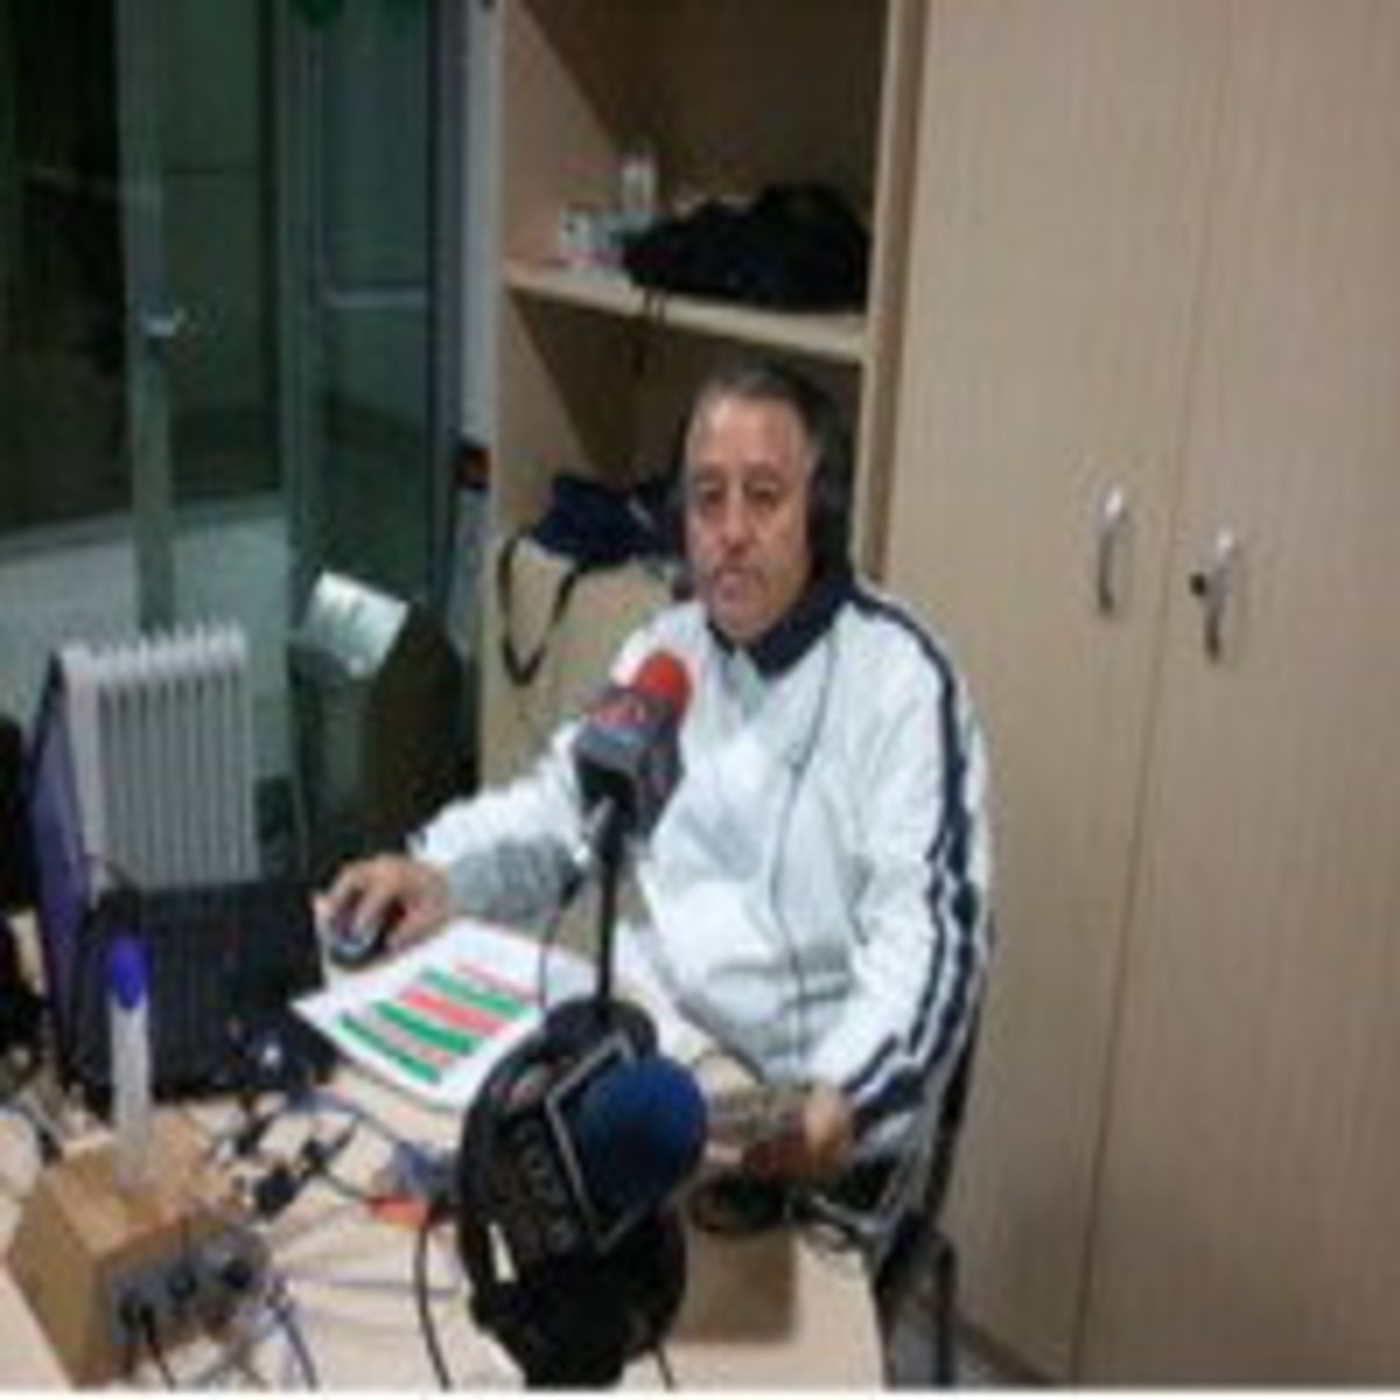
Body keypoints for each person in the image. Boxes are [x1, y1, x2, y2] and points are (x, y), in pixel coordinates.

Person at [325, 357, 991, 1202]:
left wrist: (838, 1102)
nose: (731, 531)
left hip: (791, 1118)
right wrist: (436, 872)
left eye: (764, 496)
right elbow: (564, 809)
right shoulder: (667, 651)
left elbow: (926, 950)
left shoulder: (902, 685)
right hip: (645, 1065)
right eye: (708, 499)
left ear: (819, 515)